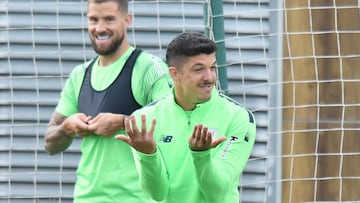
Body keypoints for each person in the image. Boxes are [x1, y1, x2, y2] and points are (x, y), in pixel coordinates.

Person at [44, 0, 172, 202]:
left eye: (109, 19)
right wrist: (67, 127)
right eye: (93, 19)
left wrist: (121, 122)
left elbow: (174, 120)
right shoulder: (80, 75)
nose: (100, 28)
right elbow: (50, 143)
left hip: (137, 198)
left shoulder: (149, 68)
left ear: (127, 20)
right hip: (86, 197)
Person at [116, 32, 256, 203]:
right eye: (199, 69)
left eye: (212, 67)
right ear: (174, 74)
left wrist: (201, 155)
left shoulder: (239, 117)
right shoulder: (143, 119)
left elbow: (216, 192)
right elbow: (157, 194)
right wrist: (147, 154)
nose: (209, 77)